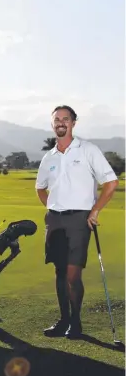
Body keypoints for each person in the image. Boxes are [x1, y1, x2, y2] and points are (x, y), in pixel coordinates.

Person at [35, 105, 119, 338]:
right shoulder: (48, 157)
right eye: (57, 119)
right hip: (55, 220)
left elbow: (111, 183)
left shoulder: (87, 150)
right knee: (60, 272)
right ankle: (63, 321)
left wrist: (94, 211)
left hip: (79, 220)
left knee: (73, 274)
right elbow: (40, 187)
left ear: (73, 123)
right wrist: (52, 207)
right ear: (53, 124)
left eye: (66, 119)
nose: (61, 122)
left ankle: (76, 322)